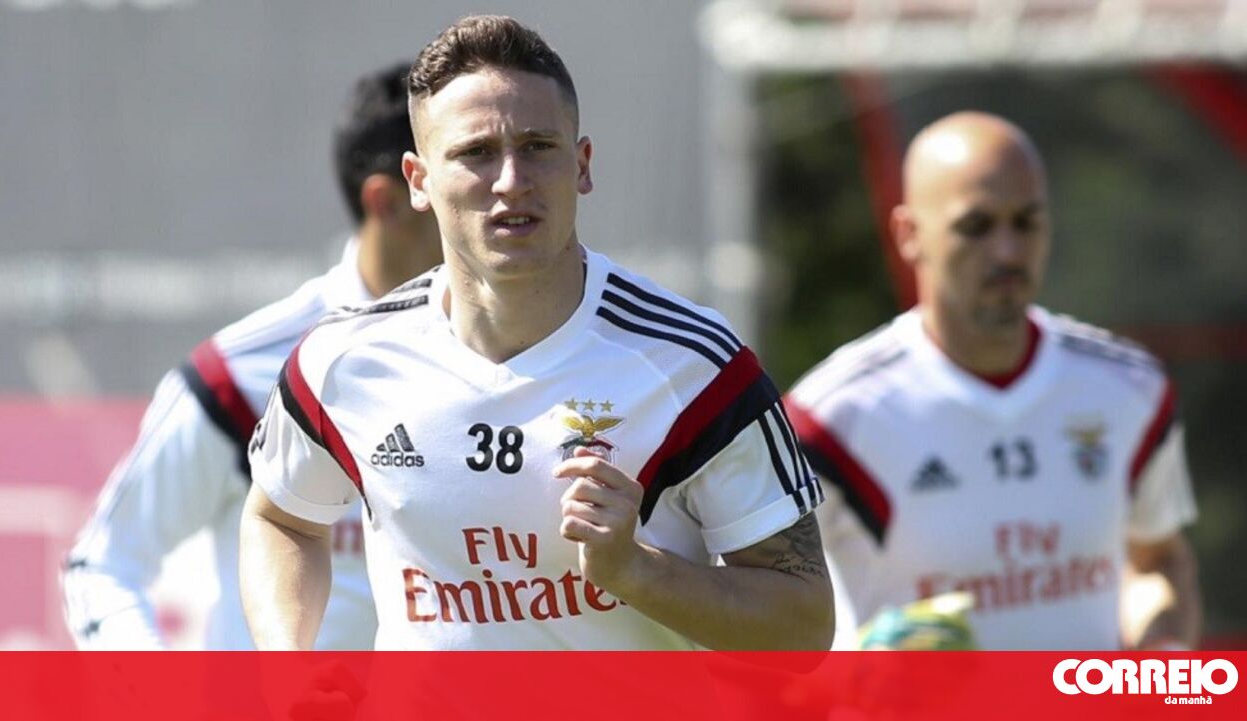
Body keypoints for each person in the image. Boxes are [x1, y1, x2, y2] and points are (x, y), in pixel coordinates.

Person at [240, 15, 834, 651]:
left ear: (582, 165)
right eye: (475, 153)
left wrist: (636, 571)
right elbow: (281, 519)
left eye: (537, 146)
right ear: (419, 181)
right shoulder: (342, 361)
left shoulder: (695, 367)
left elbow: (803, 626)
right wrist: (288, 663)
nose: (511, 181)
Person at [784, 111, 1202, 650]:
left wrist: (1162, 660)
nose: (1007, 252)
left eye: (1026, 222)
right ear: (909, 235)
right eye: (976, 226)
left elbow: (1156, 559)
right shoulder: (828, 421)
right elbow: (757, 629)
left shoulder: (1130, 389)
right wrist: (852, 670)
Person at [62, 62, 441, 650]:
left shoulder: (537, 354)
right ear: (390, 200)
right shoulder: (242, 376)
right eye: (469, 162)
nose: (502, 190)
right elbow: (103, 566)